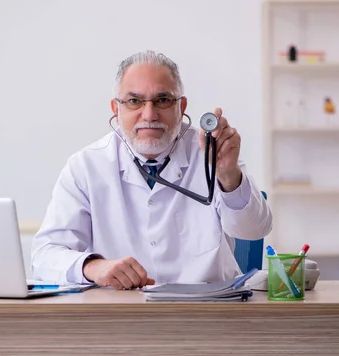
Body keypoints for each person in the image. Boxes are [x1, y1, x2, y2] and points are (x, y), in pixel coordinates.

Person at [31, 50, 272, 289]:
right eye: (134, 101)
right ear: (116, 109)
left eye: (163, 100)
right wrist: (94, 267)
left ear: (182, 106)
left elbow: (253, 230)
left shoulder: (212, 152)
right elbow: (44, 256)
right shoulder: (86, 166)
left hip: (207, 312)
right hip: (122, 315)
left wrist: (228, 175)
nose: (149, 114)